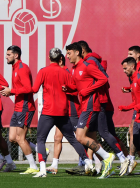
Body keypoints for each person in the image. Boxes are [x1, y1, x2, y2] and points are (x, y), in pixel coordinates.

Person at [31, 48, 95, 178]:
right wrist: (66, 88)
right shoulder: (65, 72)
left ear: (49, 58)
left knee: (41, 139)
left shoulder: (43, 71)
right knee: (72, 138)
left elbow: (34, 89)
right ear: (60, 58)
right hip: (63, 112)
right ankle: (88, 162)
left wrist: (13, 91)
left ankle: (42, 169)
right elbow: (74, 87)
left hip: (48, 112)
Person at [63, 42, 116, 179]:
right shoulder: (74, 69)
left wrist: (88, 90)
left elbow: (103, 79)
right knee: (85, 137)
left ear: (77, 52)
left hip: (91, 105)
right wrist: (68, 89)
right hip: (84, 106)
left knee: (80, 136)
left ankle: (107, 157)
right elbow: (77, 87)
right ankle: (105, 160)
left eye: (69, 53)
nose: (67, 56)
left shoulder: (87, 66)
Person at [77, 40, 129, 176]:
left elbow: (104, 80)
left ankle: (123, 158)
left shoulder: (91, 62)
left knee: (104, 133)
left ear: (81, 51)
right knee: (92, 135)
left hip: (98, 102)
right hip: (99, 102)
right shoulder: (90, 61)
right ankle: (98, 164)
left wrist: (87, 91)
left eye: (72, 53)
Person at [0, 45, 38, 175]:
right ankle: (39, 149)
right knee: (12, 138)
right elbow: (20, 89)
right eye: (6, 54)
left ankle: (33, 166)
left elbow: (29, 89)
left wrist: (12, 91)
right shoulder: (15, 68)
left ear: (16, 55)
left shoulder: (22, 68)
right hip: (18, 107)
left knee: (20, 138)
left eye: (9, 54)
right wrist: (10, 93)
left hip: (25, 108)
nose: (6, 57)